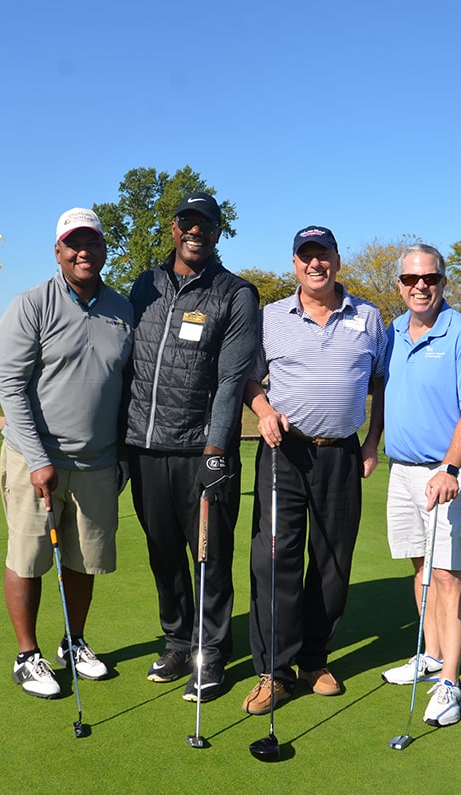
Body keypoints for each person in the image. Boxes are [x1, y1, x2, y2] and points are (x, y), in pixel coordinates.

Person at [240, 225, 387, 715]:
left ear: (338, 260)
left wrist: (371, 442)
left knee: (332, 564)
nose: (315, 264)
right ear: (295, 264)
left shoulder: (368, 316)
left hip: (342, 455)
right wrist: (263, 411)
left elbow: (381, 384)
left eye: (323, 256)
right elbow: (248, 379)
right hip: (286, 452)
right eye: (306, 257)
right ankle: (273, 673)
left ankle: (314, 660)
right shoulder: (271, 317)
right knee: (276, 560)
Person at [123, 191, 260, 703]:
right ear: (174, 229)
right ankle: (178, 640)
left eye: (205, 223)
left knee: (211, 557)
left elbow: (231, 380)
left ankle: (212, 651)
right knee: (163, 554)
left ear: (218, 232)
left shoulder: (236, 293)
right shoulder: (146, 286)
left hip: (201, 450)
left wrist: (216, 451)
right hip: (145, 446)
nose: (195, 231)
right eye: (187, 222)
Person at [0, 208, 134, 699]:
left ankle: (73, 643)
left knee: (83, 560)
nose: (83, 252)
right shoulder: (31, 305)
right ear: (58, 251)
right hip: (38, 459)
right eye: (73, 244)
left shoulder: (121, 309)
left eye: (92, 243)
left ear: (103, 249)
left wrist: (122, 457)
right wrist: (37, 458)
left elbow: (127, 386)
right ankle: (26, 656)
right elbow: (11, 385)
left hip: (98, 462)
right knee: (29, 556)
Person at [379, 243, 461, 728]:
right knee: (419, 563)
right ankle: (430, 655)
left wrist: (449, 467)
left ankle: (450, 679)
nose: (420, 286)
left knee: (447, 574)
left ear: (443, 281)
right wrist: (373, 443)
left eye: (429, 277)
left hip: (448, 470)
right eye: (410, 279)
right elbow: (382, 393)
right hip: (402, 467)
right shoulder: (391, 334)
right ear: (400, 285)